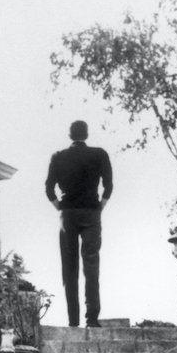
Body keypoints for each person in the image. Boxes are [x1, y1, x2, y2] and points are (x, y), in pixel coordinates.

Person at [45, 120, 113, 328]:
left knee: (69, 266)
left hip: (68, 213)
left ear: (69, 135)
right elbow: (109, 186)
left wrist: (61, 208)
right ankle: (92, 319)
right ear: (87, 134)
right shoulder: (100, 154)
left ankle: (73, 321)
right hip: (92, 212)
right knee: (92, 265)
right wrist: (99, 206)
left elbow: (49, 189)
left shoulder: (58, 157)